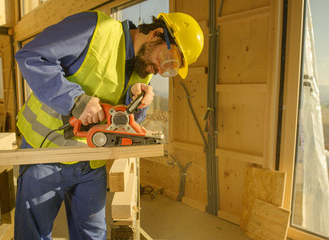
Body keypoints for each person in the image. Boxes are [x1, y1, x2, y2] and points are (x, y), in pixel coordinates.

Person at [14, 10, 204, 240]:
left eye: (170, 68)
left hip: (92, 163)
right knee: (33, 236)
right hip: (44, 154)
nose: (162, 70)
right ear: (157, 33)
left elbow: (123, 123)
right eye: (167, 59)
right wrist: (75, 100)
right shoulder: (94, 29)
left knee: (93, 237)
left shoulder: (144, 65)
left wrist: (138, 105)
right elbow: (32, 56)